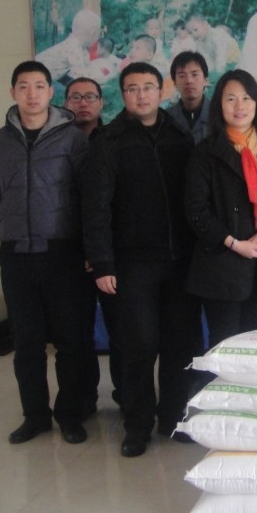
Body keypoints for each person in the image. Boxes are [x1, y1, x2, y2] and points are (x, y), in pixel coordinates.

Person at [81, 62, 204, 458]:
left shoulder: (179, 136)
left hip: (180, 261)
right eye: (132, 89)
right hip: (132, 264)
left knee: (180, 345)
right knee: (139, 344)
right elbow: (95, 208)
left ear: (161, 91)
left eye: (148, 87)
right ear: (123, 95)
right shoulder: (108, 141)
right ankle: (136, 425)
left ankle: (173, 417)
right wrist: (102, 262)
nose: (141, 95)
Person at [0, 61, 91, 445]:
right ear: (13, 93)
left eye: (40, 86)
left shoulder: (72, 139)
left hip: (63, 255)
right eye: (24, 86)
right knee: (26, 344)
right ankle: (35, 416)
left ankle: (70, 415)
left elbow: (88, 198)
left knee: (70, 342)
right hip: (17, 256)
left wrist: (91, 250)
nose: (32, 93)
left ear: (51, 92)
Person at [185, 70, 257, 340]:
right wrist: (234, 243)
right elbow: (196, 209)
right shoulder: (205, 152)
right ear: (219, 106)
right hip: (221, 267)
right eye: (230, 99)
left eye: (246, 98)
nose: (239, 106)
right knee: (225, 346)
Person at [62, 77, 117, 410]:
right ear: (65, 102)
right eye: (76, 97)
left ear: (101, 102)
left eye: (90, 97)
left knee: (120, 329)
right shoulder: (57, 141)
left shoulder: (113, 139)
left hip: (110, 252)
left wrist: (98, 252)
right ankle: (83, 398)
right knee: (76, 331)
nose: (83, 103)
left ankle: (126, 395)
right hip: (68, 251)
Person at [35, 9, 103, 86]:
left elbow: (86, 68)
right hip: (35, 75)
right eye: (99, 31)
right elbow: (80, 76)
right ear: (93, 32)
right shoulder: (73, 48)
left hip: (47, 77)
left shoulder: (80, 47)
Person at [166, 51, 211, 144]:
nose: (189, 81)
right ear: (175, 83)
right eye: (182, 76)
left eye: (194, 75)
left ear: (206, 81)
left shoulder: (219, 114)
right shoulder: (166, 117)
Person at [186, 13, 238, 77]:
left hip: (232, 57)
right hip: (219, 57)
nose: (194, 34)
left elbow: (221, 55)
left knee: (229, 72)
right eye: (190, 33)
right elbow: (206, 59)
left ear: (205, 24)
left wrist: (219, 73)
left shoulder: (216, 36)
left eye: (195, 30)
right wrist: (207, 72)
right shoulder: (200, 42)